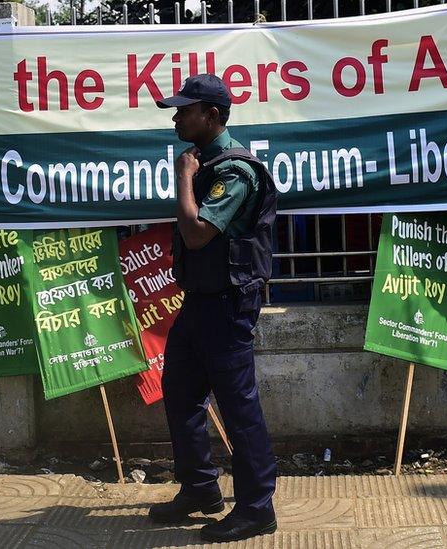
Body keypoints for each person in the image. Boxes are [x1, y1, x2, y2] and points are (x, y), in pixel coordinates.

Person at [150, 74, 278, 543]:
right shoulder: (205, 162)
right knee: (181, 395)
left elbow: (197, 233)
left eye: (185, 109)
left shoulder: (235, 172)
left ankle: (257, 507)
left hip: (228, 308)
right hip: (199, 304)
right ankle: (201, 489)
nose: (175, 115)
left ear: (213, 116)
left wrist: (183, 177)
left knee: (239, 408)